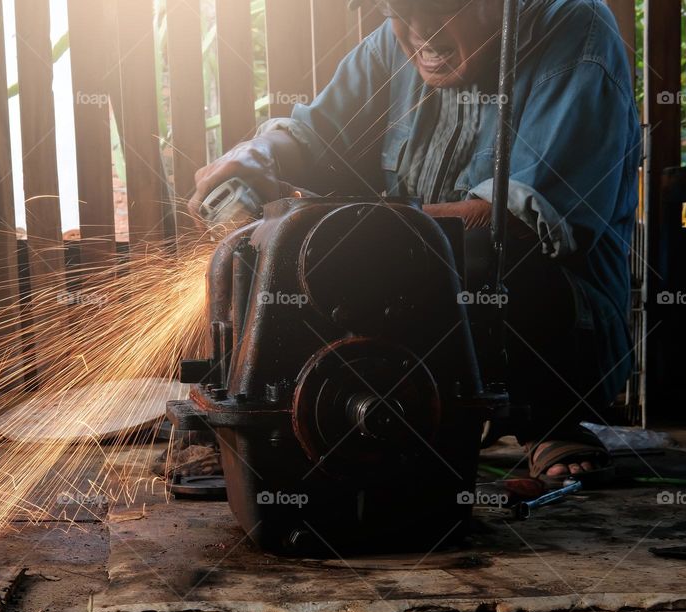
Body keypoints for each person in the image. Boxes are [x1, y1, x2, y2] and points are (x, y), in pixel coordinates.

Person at [188, 0, 641, 484]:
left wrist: (347, 229)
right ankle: (277, 422)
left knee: (483, 256)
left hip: (557, 320)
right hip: (427, 307)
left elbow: (514, 222)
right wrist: (258, 157)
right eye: (399, 10)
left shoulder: (575, 29)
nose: (420, 32)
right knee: (280, 259)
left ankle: (549, 421)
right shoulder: (392, 42)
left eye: (441, 10)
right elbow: (314, 136)